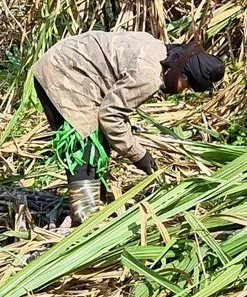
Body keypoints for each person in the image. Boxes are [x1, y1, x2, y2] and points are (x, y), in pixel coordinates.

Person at [28, 32, 224, 224]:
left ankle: (96, 204)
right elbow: (110, 116)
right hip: (65, 71)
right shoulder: (149, 75)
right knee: (85, 144)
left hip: (71, 65)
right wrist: (139, 155)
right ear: (182, 71)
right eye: (187, 85)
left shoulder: (158, 49)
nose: (182, 90)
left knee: (99, 142)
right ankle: (85, 220)